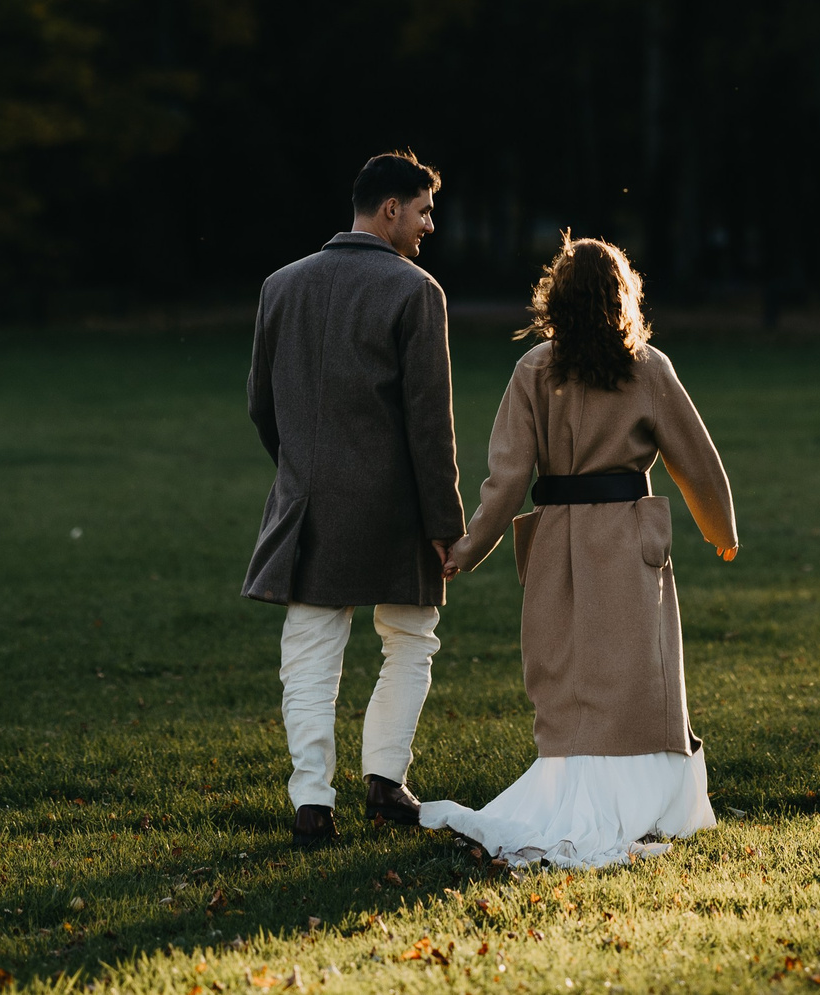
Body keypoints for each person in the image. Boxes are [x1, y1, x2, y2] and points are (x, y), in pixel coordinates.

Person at [419, 235, 738, 868]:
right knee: (634, 673)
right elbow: (695, 462)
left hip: (560, 538)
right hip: (626, 537)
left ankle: (572, 792)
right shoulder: (648, 367)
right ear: (623, 297)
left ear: (555, 299)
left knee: (566, 670)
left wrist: (467, 548)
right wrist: (720, 529)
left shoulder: (534, 369)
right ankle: (643, 802)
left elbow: (506, 478)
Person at [242, 150, 465, 849]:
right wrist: (444, 522)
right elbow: (430, 424)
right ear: (390, 208)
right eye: (424, 210)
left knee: (309, 649)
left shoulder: (280, 285)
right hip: (392, 508)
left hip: (304, 503)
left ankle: (312, 800)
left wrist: (304, 468)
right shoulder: (416, 291)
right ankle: (385, 781)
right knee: (410, 637)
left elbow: (260, 406)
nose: (430, 225)